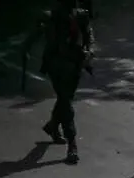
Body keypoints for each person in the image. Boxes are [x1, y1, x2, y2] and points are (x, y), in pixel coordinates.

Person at [23, 0, 94, 165]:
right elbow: (35, 33)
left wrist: (89, 51)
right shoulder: (50, 17)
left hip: (74, 63)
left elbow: (89, 34)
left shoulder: (81, 16)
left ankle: (53, 126)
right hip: (55, 64)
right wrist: (25, 48)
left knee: (66, 98)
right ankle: (72, 144)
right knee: (65, 101)